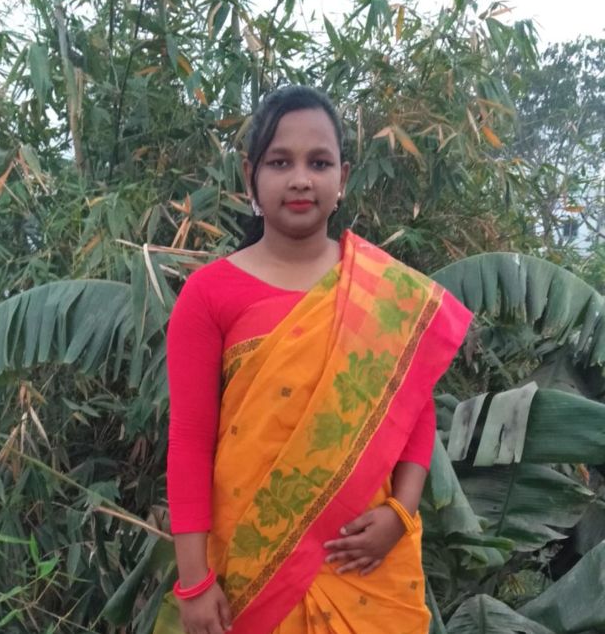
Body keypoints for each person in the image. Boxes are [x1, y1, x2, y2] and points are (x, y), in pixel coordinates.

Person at [166, 86, 472, 634]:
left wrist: (401, 514)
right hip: (252, 566)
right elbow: (189, 440)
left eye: (320, 162)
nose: (301, 179)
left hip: (364, 562)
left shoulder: (384, 292)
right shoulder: (209, 294)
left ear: (343, 177)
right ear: (250, 176)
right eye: (280, 162)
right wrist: (194, 581)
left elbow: (415, 413)